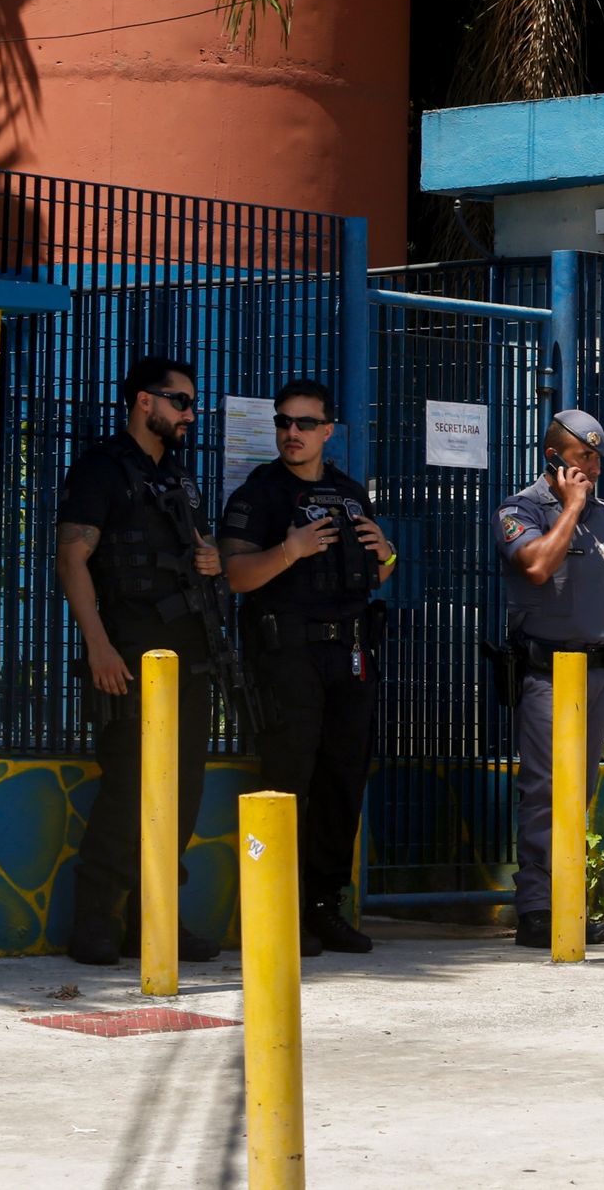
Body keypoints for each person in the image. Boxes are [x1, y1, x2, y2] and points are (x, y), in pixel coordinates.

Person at [54, 355, 227, 966]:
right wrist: (98, 646)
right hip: (129, 653)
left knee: (180, 794)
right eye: (179, 401)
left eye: (191, 403)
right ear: (143, 402)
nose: (189, 413)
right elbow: (73, 558)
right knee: (129, 789)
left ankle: (154, 921)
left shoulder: (181, 477)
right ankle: (96, 920)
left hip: (192, 654)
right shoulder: (103, 468)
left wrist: (210, 561)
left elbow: (199, 552)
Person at [220, 379, 395, 956]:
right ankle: (276, 910)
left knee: (341, 782)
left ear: (327, 431)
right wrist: (290, 550)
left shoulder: (348, 493)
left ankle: (323, 907)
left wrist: (385, 554)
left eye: (303, 424)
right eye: (283, 423)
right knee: (286, 781)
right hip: (287, 654)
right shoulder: (259, 494)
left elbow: (377, 572)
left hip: (349, 654)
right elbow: (237, 576)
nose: (290, 433)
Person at [495, 410, 604, 949]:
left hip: (595, 672)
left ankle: (568, 900)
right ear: (553, 457)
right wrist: (572, 507)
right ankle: (538, 907)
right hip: (545, 674)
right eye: (583, 456)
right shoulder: (521, 509)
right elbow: (536, 566)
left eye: (598, 458)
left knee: (578, 790)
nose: (592, 467)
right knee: (544, 789)